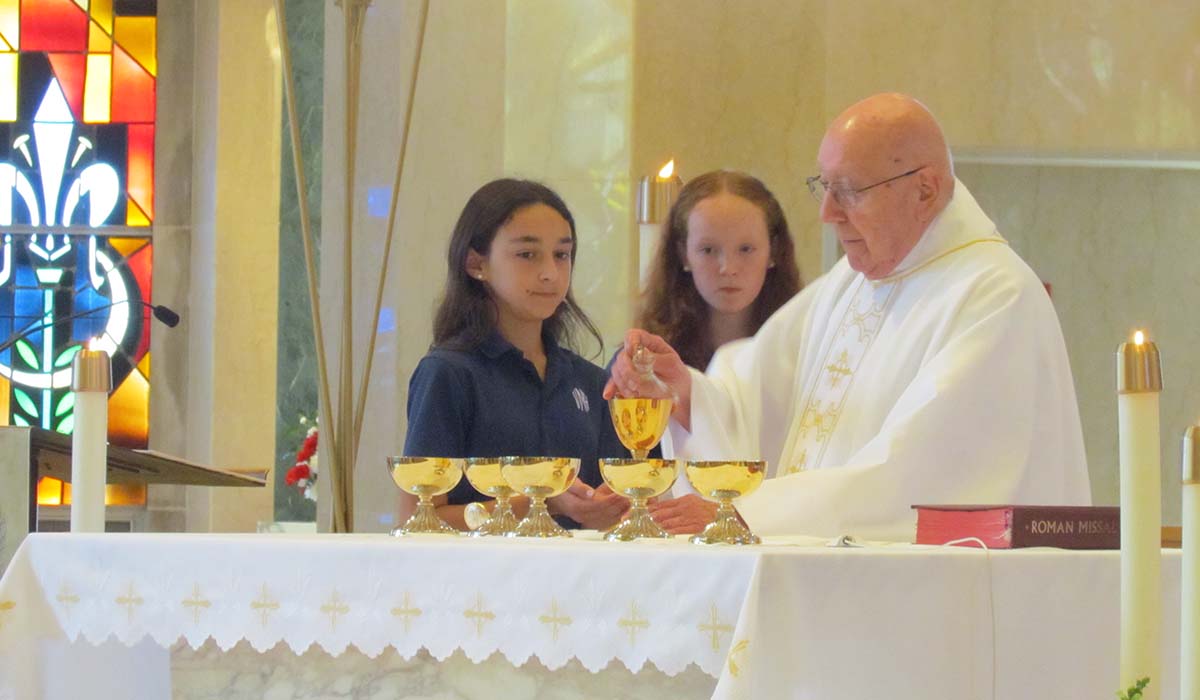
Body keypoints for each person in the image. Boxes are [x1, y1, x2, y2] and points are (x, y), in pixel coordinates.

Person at [607, 93, 1091, 541]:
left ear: (924, 190)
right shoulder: (853, 283)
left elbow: (919, 476)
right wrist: (685, 395)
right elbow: (760, 395)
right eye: (824, 187)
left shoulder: (994, 295)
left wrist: (746, 512)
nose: (827, 213)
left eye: (849, 190)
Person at [404, 178, 629, 531]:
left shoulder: (590, 381)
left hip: (579, 579)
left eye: (562, 255)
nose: (549, 273)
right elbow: (419, 519)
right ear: (476, 263)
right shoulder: (448, 374)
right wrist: (542, 501)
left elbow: (620, 504)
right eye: (527, 254)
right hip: (479, 582)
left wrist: (611, 507)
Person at [637, 170, 802, 371]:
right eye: (708, 250)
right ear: (683, 254)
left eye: (746, 249)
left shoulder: (804, 350)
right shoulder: (645, 359)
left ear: (774, 251)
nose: (728, 268)